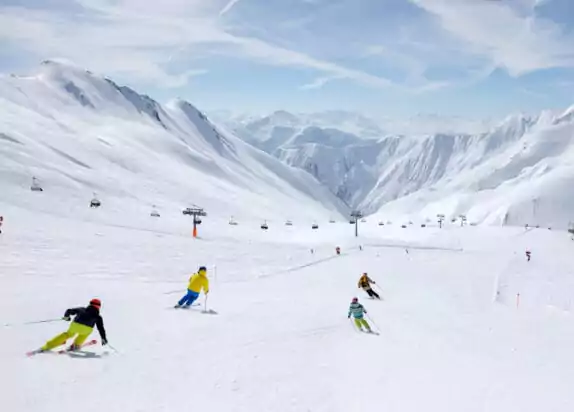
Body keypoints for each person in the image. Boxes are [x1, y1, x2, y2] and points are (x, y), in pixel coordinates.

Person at [40, 298, 108, 352]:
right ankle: (76, 345)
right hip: (87, 329)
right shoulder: (98, 317)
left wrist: (66, 317)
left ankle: (48, 345)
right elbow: (100, 328)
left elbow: (69, 310)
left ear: (90, 304)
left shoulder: (82, 309)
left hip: (75, 326)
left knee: (68, 334)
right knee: (84, 334)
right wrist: (103, 338)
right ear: (98, 307)